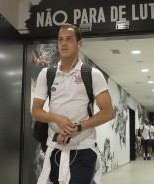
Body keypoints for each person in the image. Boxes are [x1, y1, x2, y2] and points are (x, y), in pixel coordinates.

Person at [31, 23, 114, 184]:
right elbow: (36, 111)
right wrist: (57, 119)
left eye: (69, 39)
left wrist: (78, 127)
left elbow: (108, 112)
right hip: (54, 148)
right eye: (60, 39)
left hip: (83, 148)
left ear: (79, 43)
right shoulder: (46, 74)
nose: (63, 43)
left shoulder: (92, 74)